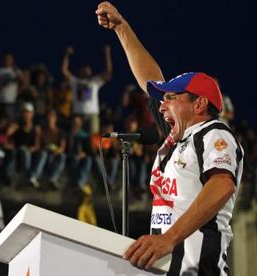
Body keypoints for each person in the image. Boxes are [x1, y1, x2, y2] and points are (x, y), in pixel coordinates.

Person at [96, 2, 244, 275]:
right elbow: (149, 79)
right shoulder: (177, 138)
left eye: (171, 99)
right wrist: (121, 28)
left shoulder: (214, 133)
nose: (162, 106)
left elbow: (222, 185)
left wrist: (169, 238)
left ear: (199, 105)